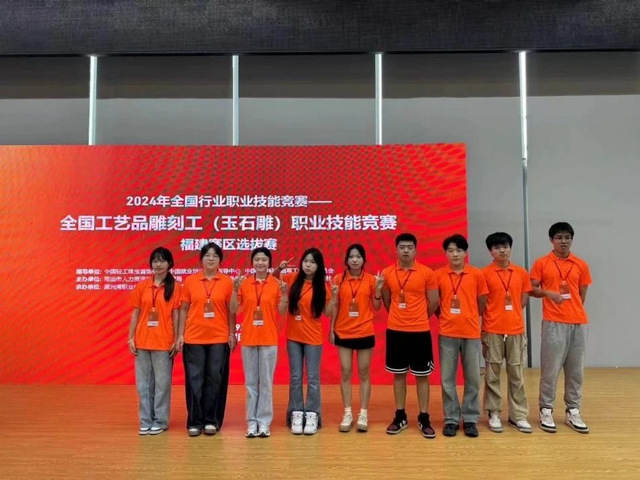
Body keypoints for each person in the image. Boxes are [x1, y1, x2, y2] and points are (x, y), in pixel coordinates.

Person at [530, 222, 592, 434]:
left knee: (575, 371)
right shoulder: (542, 263)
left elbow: (582, 294)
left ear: (571, 240)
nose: (563, 241)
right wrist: (548, 293)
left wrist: (572, 310)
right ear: (551, 240)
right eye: (559, 237)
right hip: (553, 323)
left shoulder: (581, 264)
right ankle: (546, 409)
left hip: (578, 323)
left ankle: (573, 410)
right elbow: (532, 289)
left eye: (567, 237)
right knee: (551, 369)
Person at [381, 233, 439, 438]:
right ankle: (400, 416)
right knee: (399, 374)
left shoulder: (427, 273)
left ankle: (424, 417)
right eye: (402, 247)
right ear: (396, 249)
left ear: (415, 250)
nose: (405, 250)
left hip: (420, 331)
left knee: (422, 376)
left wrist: (419, 317)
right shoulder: (387, 273)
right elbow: (387, 301)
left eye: (409, 247)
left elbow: (433, 302)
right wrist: (399, 316)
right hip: (396, 331)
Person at [176, 242, 236, 437]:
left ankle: (211, 420)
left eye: (215, 256)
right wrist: (181, 335)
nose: (211, 259)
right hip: (193, 337)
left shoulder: (227, 282)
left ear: (220, 260)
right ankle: (195, 421)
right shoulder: (190, 281)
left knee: (215, 379)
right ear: (201, 259)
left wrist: (231, 334)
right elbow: (184, 309)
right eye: (207, 255)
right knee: (194, 380)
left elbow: (231, 310)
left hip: (219, 337)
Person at [274, 248, 334, 435]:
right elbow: (272, 280)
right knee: (295, 377)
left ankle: (313, 414)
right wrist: (279, 268)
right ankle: (296, 413)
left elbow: (327, 312)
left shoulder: (323, 286)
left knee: (313, 378)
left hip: (313, 338)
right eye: (306, 261)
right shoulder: (292, 278)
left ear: (319, 266)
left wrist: (335, 297)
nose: (308, 265)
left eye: (313, 262)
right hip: (293, 337)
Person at [230, 247, 288, 438]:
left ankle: (264, 423)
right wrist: (235, 289)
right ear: (252, 262)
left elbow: (282, 311)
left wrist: (285, 294)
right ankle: (251, 422)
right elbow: (234, 309)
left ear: (269, 263)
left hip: (269, 339)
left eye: (264, 259)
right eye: (257, 259)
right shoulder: (245, 283)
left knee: (266, 383)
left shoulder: (276, 284)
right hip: (249, 339)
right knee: (251, 384)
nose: (260, 263)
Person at [436, 234, 488, 438]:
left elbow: (481, 301)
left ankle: (470, 418)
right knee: (447, 379)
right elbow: (435, 303)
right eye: (450, 250)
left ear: (465, 252)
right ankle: (450, 419)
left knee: (473, 378)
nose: (455, 254)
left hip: (471, 332)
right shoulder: (438, 275)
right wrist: (445, 317)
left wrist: (471, 317)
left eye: (458, 250)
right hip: (447, 333)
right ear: (445, 253)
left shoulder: (476, 274)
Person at [481, 232, 533, 434]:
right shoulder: (484, 274)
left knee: (516, 374)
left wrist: (511, 316)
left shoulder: (521, 273)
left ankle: (518, 415)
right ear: (490, 251)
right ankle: (493, 412)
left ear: (510, 248)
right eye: (497, 247)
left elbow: (523, 300)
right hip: (492, 329)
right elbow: (482, 303)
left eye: (505, 246)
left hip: (515, 330)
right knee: (492, 374)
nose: (502, 250)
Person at [329, 244, 384, 433]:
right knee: (345, 371)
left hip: (364, 331)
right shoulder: (338, 279)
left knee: (364, 372)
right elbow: (335, 306)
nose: (354, 260)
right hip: (343, 331)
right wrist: (331, 329)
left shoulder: (370, 280)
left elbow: (377, 307)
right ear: (346, 260)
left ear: (363, 260)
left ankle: (363, 413)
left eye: (358, 257)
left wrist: (378, 290)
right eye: (351, 256)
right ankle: (347, 413)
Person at [128, 247, 181, 436]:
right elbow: (136, 313)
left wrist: (176, 338)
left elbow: (176, 315)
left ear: (169, 264)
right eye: (155, 261)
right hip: (142, 341)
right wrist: (131, 337)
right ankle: (146, 420)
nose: (158, 264)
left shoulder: (175, 287)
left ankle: (160, 420)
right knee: (143, 385)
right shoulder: (142, 286)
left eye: (162, 261)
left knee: (162, 384)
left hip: (164, 342)